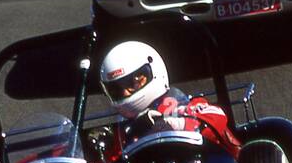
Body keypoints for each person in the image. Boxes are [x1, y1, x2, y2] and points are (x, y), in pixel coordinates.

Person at [98, 40, 240, 156]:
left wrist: (173, 124)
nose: (126, 94)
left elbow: (218, 118)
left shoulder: (181, 106)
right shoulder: (123, 130)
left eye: (132, 83)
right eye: (116, 89)